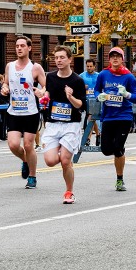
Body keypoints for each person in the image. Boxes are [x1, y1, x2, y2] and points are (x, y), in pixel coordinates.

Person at [41, 45, 87, 204]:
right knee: (50, 161)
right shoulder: (51, 77)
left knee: (65, 161)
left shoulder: (77, 81)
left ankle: (69, 192)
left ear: (70, 59)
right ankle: (63, 150)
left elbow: (81, 105)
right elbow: (48, 94)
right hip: (53, 124)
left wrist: (70, 97)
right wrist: (44, 97)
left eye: (62, 57)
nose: (58, 60)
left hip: (71, 125)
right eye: (56, 58)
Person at [0, 35, 47, 189]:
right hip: (14, 111)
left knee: (28, 145)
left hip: (31, 112)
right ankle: (26, 161)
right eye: (17, 46)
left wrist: (41, 92)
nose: (19, 48)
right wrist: (5, 89)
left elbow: (46, 87)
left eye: (22, 46)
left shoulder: (35, 67)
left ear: (29, 48)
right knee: (13, 145)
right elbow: (5, 84)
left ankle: (32, 176)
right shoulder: (10, 66)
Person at [96, 46, 136, 191]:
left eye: (118, 56)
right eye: (112, 56)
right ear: (109, 59)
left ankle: (119, 179)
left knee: (117, 149)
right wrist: (99, 96)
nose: (115, 59)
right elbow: (97, 89)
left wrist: (127, 94)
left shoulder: (128, 77)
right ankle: (119, 149)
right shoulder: (103, 75)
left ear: (122, 59)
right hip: (108, 117)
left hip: (124, 116)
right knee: (106, 150)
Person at [80, 58, 101, 146]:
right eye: (87, 66)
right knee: (91, 118)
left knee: (92, 118)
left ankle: (89, 138)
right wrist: (82, 87)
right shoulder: (82, 76)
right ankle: (98, 135)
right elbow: (76, 86)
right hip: (86, 100)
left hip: (96, 100)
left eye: (90, 66)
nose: (89, 68)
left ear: (94, 66)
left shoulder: (98, 76)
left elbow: (102, 86)